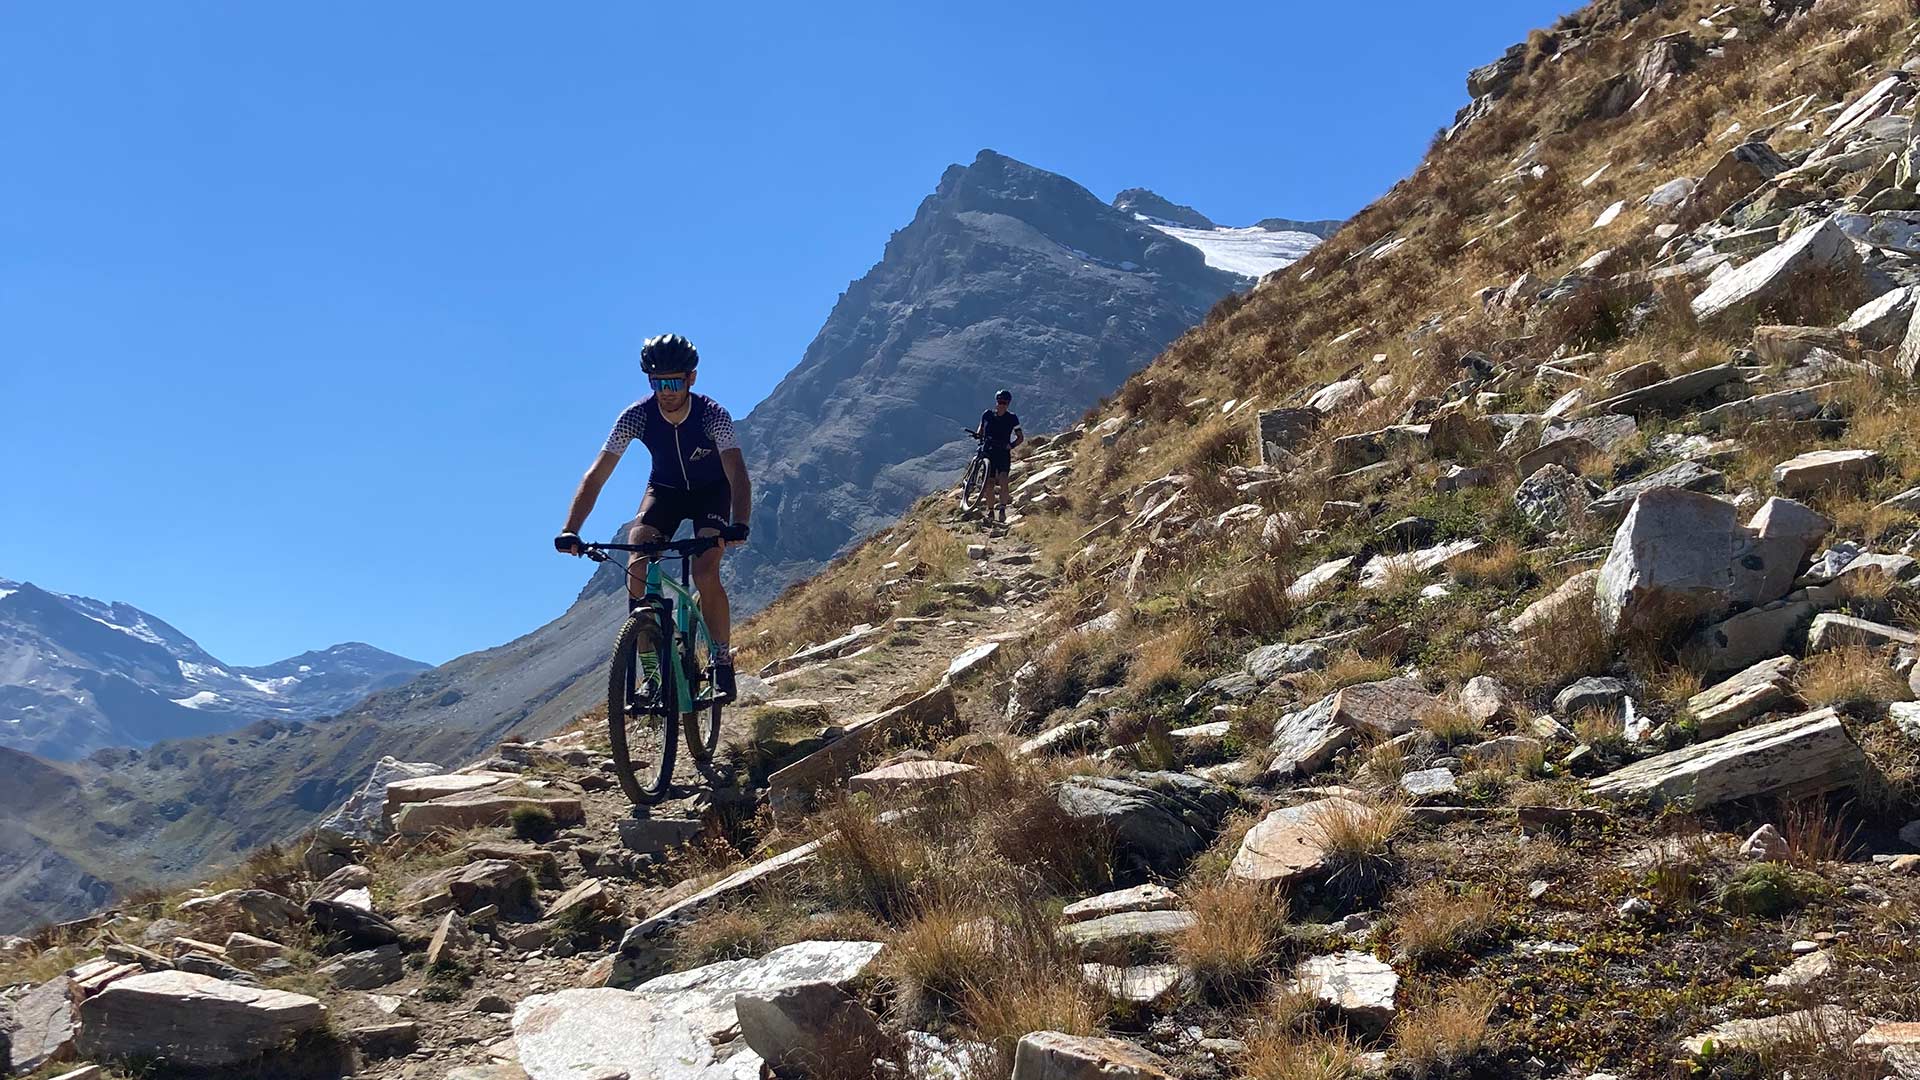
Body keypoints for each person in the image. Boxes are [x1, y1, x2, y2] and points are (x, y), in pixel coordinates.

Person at [553, 334, 752, 701]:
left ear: (691, 378)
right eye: (658, 383)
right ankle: (652, 673)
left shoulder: (713, 415)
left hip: (711, 493)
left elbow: (737, 472)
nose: (666, 392)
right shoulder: (636, 416)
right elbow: (596, 476)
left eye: (674, 382)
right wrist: (571, 529)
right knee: (638, 560)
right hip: (664, 492)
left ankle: (722, 660)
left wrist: (739, 522)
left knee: (705, 570)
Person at [977, 389, 1023, 525]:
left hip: (1003, 452)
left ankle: (1002, 509)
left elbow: (1020, 437)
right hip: (989, 452)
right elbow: (981, 428)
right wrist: (978, 435)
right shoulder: (987, 414)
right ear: (996, 401)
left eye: (1004, 402)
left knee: (1003, 480)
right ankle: (991, 511)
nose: (1001, 404)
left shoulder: (1012, 418)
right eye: (1000, 401)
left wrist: (1011, 445)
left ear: (1008, 404)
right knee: (989, 483)